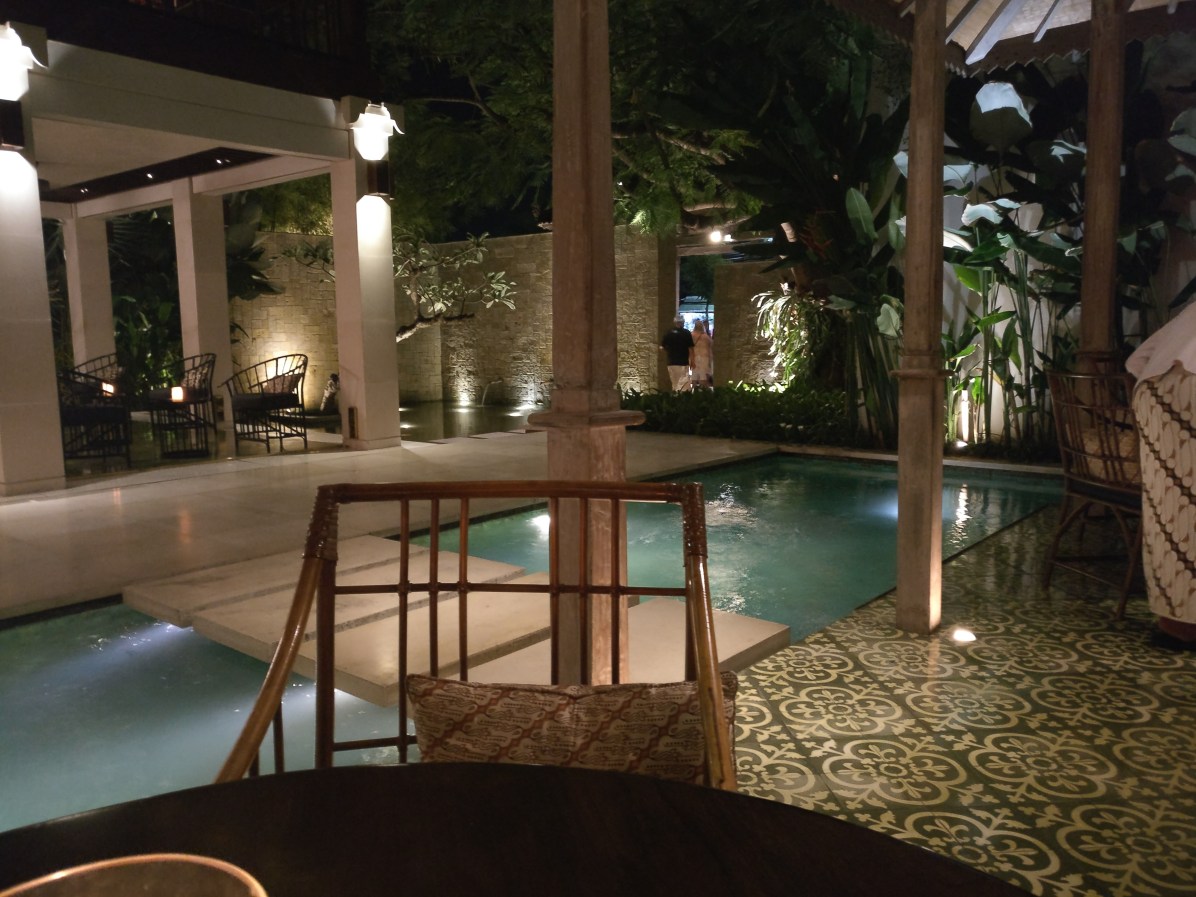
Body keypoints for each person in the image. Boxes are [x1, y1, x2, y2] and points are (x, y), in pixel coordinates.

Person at [1126, 301, 1196, 650]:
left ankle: (1175, 623)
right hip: (1184, 395)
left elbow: (1138, 360)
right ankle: (1184, 626)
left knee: (1168, 514)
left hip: (1154, 394)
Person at [660, 316, 694, 391]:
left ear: (675, 322)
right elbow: (691, 348)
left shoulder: (668, 333)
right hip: (683, 362)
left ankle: (675, 395)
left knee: (674, 383)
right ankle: (681, 397)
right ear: (683, 322)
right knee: (683, 384)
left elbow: (662, 347)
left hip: (671, 362)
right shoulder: (686, 333)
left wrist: (669, 351)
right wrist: (692, 360)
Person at [689, 319, 713, 389]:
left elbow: (689, 348)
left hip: (694, 357)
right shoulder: (706, 337)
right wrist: (710, 360)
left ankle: (694, 390)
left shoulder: (691, 335)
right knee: (703, 376)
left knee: (694, 375)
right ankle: (703, 391)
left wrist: (689, 359)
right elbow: (711, 347)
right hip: (704, 357)